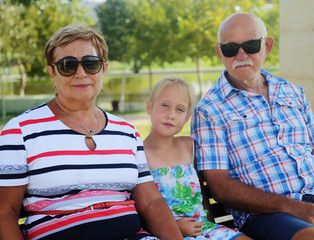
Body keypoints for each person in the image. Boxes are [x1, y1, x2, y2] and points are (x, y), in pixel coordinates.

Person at [0, 25, 184, 240]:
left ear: (103, 69)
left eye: (90, 64)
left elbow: (150, 201)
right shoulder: (20, 131)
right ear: (52, 72)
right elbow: (6, 212)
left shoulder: (126, 132)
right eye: (67, 65)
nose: (80, 73)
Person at [191, 12, 314, 240]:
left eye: (250, 45)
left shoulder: (293, 93)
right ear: (219, 52)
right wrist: (295, 207)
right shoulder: (209, 110)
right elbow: (220, 187)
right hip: (266, 215)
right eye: (230, 48)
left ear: (266, 46)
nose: (241, 55)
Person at [144, 76, 251, 239]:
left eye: (180, 109)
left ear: (187, 117)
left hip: (203, 229)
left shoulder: (189, 146)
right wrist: (174, 227)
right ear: (149, 106)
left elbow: (202, 196)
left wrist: (210, 227)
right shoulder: (139, 153)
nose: (171, 115)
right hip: (164, 233)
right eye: (165, 105)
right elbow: (140, 208)